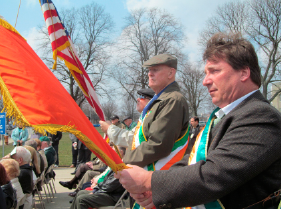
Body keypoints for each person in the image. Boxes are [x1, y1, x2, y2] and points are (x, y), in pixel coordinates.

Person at [115, 33, 281, 209]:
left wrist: (150, 181)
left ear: (244, 73)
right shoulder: (226, 115)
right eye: (206, 73)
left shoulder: (261, 116)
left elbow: (213, 175)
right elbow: (192, 160)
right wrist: (158, 191)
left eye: (215, 71)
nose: (205, 81)